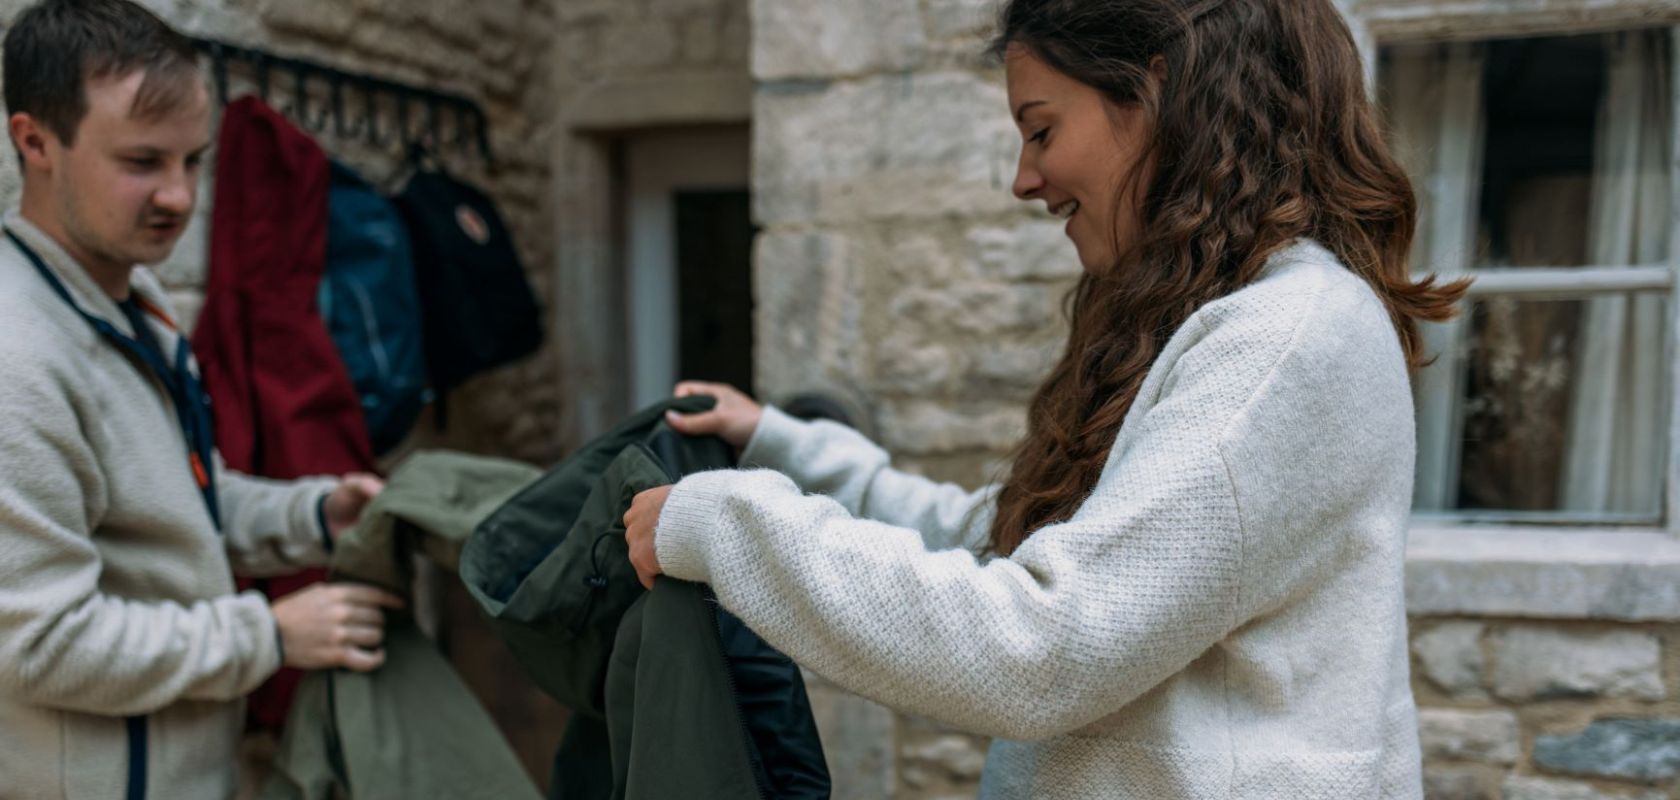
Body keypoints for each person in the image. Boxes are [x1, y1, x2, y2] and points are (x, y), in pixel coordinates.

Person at [624, 0, 1468, 797]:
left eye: (1041, 129)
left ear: (1161, 92)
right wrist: (782, 443)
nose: (1025, 179)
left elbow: (1046, 646)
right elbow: (1007, 546)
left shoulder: (1286, 337)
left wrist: (722, 524)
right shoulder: (1218, 320)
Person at [0, 2, 402, 798]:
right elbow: (39, 642)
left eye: (194, 161)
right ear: (35, 142)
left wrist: (315, 516)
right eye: (143, 162)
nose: (181, 197)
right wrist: (269, 635)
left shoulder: (131, 299)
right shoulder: (19, 360)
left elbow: (179, 508)